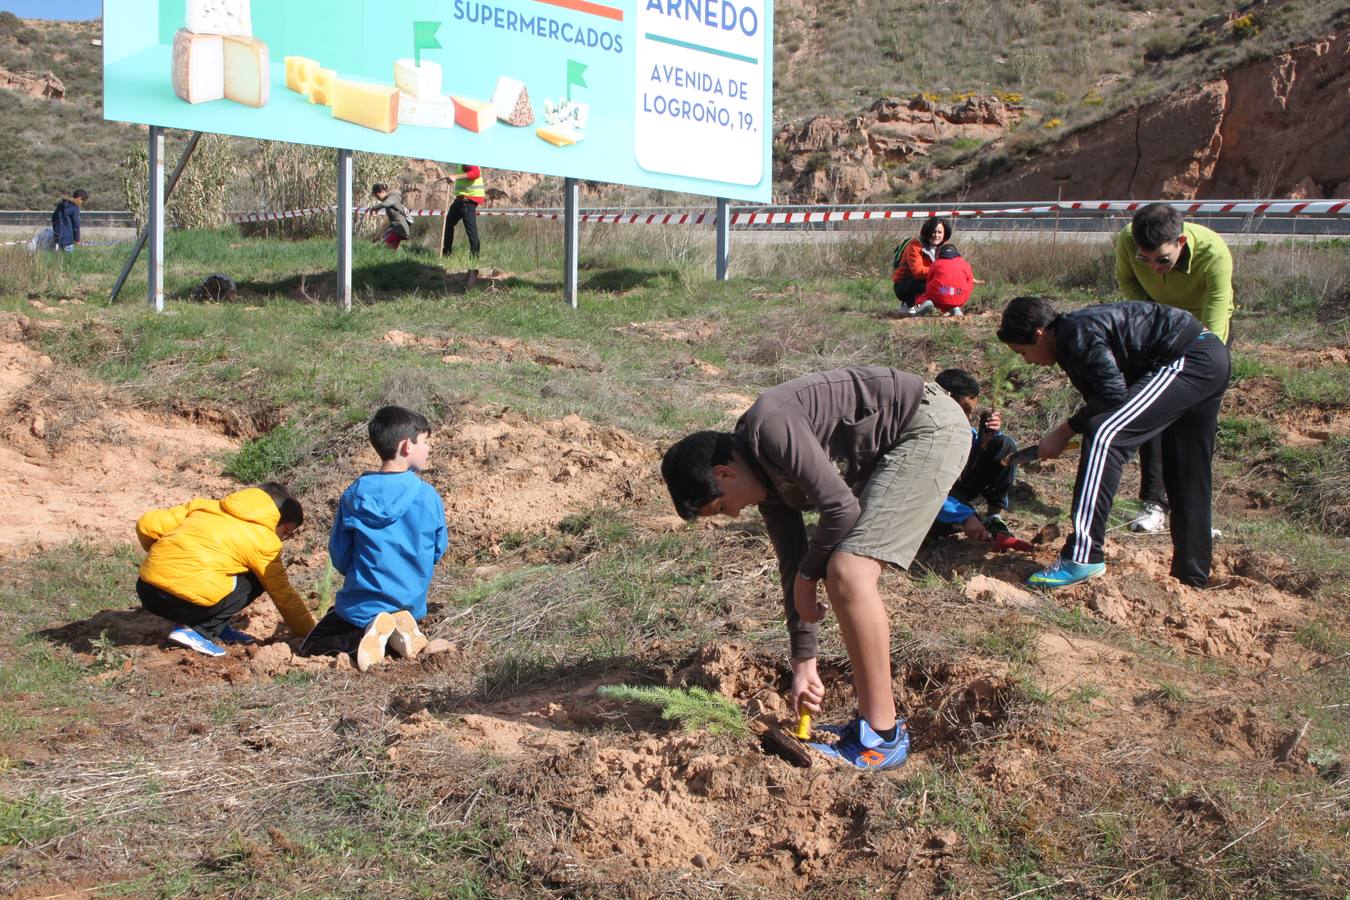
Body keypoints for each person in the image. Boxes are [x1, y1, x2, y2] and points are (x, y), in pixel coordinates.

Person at [661, 367, 971, 770]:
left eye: (722, 506)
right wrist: (803, 663)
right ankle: (872, 723)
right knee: (839, 569)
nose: (734, 513)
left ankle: (883, 737)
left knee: (849, 572)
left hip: (928, 428)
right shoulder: (766, 481)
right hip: (900, 442)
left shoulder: (771, 426)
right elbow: (792, 564)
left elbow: (841, 509)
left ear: (724, 473)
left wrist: (811, 576)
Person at [997, 296, 1229, 589]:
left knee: (1105, 434)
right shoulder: (1075, 332)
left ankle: (1083, 556)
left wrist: (1065, 430)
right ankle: (1191, 576)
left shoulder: (1075, 334)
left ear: (1039, 333)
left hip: (1187, 357)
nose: (1028, 361)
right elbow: (1108, 394)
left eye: (1023, 352)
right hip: (1208, 357)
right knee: (1186, 471)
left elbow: (1112, 396)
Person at [298, 406, 447, 672]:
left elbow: (340, 556)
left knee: (310, 647)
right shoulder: (428, 495)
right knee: (389, 623)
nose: (429, 448)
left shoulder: (355, 494)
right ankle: (399, 626)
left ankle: (372, 630)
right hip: (411, 601)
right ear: (406, 447)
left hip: (361, 604)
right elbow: (438, 549)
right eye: (425, 441)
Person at [1115, 203, 1234, 534]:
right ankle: (1154, 502)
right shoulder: (1127, 240)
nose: (1154, 268)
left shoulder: (1214, 254)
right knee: (1151, 414)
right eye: (1146, 259)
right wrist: (1156, 323)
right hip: (1158, 331)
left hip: (1205, 332)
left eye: (1163, 260)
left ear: (1180, 242)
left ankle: (1193, 514)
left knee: (1196, 422)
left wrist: (1200, 366)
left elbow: (1215, 318)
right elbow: (1129, 285)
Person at [135, 483, 317, 657]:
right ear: (276, 517)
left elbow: (147, 525)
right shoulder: (264, 540)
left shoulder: (203, 506)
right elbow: (283, 594)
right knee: (258, 578)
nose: (284, 539)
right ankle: (200, 630)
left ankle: (218, 627)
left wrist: (163, 558)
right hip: (185, 605)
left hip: (147, 591)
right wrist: (312, 634)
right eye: (286, 532)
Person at [932, 368, 1018, 541]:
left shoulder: (966, 431)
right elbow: (929, 483)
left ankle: (994, 517)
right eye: (963, 410)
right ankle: (947, 522)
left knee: (1005, 445)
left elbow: (988, 451)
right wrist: (966, 516)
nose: (967, 417)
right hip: (932, 495)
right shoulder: (928, 432)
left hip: (959, 488)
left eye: (970, 412)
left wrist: (989, 438)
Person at [891, 217, 952, 311]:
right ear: (927, 232)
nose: (936, 235)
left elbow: (954, 268)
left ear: (944, 234)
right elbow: (918, 272)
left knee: (950, 286)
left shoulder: (945, 249)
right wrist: (941, 272)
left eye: (939, 232)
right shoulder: (915, 245)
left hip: (928, 281)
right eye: (933, 231)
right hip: (905, 285)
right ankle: (917, 302)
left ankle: (951, 306)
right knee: (936, 283)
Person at [439, 164, 485, 285]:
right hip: (460, 200)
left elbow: (475, 173)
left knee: (472, 233)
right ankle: (447, 253)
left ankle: (474, 260)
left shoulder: (468, 157)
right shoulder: (461, 160)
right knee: (449, 223)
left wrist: (455, 176)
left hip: (468, 201)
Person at [915, 244, 975, 318]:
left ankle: (926, 302)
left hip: (939, 295)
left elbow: (928, 283)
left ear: (940, 254)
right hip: (959, 295)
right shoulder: (965, 264)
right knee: (952, 291)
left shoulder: (935, 264)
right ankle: (956, 309)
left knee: (926, 294)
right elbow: (970, 284)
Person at [368, 183, 412, 250]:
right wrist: (377, 209)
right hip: (396, 228)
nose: (378, 199)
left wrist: (374, 208)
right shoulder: (389, 199)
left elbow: (385, 204)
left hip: (399, 228)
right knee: (391, 250)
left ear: (382, 192)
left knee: (383, 247)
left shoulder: (392, 197)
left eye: (377, 196)